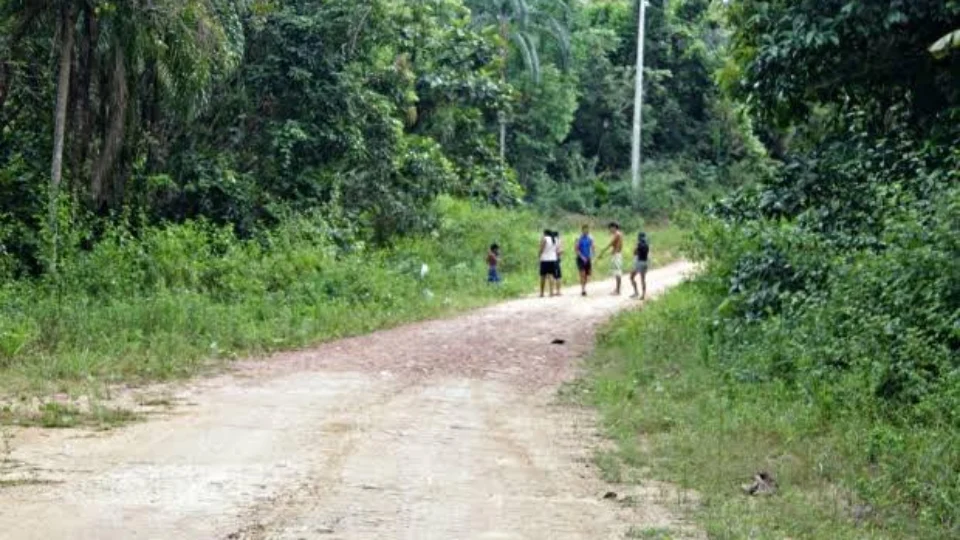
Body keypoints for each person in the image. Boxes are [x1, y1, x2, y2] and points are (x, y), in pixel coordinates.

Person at [597, 222, 624, 295]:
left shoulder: (617, 234)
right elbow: (614, 248)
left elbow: (610, 244)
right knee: (616, 272)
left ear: (614, 227)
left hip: (616, 255)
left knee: (617, 272)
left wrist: (602, 251)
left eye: (610, 228)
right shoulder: (619, 234)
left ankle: (618, 290)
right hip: (616, 254)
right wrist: (604, 254)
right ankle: (617, 289)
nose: (610, 230)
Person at [539, 229, 559, 297]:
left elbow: (541, 248)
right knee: (551, 275)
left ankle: (542, 293)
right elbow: (556, 250)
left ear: (545, 233)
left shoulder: (545, 239)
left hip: (544, 259)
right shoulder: (555, 239)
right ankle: (551, 292)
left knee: (543, 276)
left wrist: (539, 255)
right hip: (553, 259)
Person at [575, 225, 594, 296]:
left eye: (587, 230)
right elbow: (576, 249)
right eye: (585, 230)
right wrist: (582, 257)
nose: (586, 231)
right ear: (582, 230)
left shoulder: (590, 238)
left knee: (587, 275)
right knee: (582, 274)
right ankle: (583, 289)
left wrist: (592, 256)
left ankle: (584, 287)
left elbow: (592, 247)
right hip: (580, 258)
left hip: (588, 258)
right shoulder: (578, 238)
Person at [631, 232, 650, 300]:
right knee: (643, 279)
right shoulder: (647, 244)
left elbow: (634, 252)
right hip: (645, 262)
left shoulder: (639, 244)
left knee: (632, 277)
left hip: (639, 262)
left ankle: (636, 292)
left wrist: (636, 245)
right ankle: (643, 295)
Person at [551, 231, 564, 295]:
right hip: (556, 260)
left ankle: (552, 291)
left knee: (553, 276)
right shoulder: (558, 242)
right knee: (558, 276)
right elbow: (561, 251)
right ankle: (558, 291)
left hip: (551, 260)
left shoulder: (551, 241)